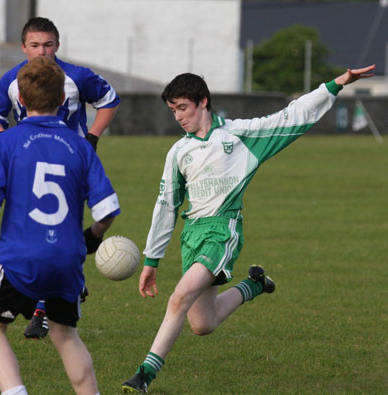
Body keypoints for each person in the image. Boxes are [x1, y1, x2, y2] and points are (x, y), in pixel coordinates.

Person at [121, 64, 375, 393]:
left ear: (203, 102)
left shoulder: (241, 135)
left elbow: (291, 116)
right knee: (202, 324)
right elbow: (166, 205)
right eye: (173, 111)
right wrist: (152, 260)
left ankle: (143, 376)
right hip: (192, 235)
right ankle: (253, 286)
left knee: (179, 298)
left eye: (183, 108)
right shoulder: (178, 152)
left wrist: (336, 84)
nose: (178, 117)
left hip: (222, 232)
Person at [0, 56, 120, 395]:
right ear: (63, 100)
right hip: (67, 260)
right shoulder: (80, 145)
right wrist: (92, 237)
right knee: (65, 334)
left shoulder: (6, 141)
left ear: (19, 100)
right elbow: (107, 210)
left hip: (20, 260)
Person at [0, 16, 120, 339]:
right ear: (23, 47)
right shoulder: (12, 80)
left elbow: (109, 99)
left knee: (64, 228)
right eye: (34, 45)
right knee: (37, 230)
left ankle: (43, 308)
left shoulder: (76, 77)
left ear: (57, 45)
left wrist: (93, 138)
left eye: (48, 45)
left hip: (70, 167)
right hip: (28, 169)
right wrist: (7, 144)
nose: (41, 51)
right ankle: (64, 291)